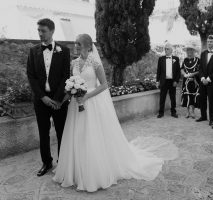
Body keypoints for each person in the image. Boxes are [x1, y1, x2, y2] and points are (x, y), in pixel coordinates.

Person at [53, 34, 178, 192]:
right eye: (75, 43)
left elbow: (104, 85)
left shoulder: (95, 62)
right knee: (77, 135)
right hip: (76, 106)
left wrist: (86, 96)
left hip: (92, 103)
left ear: (86, 45)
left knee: (92, 135)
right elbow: (71, 85)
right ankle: (76, 171)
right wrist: (63, 100)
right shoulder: (74, 63)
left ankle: (94, 172)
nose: (75, 46)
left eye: (78, 44)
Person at [26, 18, 70, 177]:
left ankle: (63, 162)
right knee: (43, 133)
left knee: (61, 132)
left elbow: (66, 75)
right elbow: (31, 76)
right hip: (41, 100)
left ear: (52, 31)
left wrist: (59, 99)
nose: (40, 34)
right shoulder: (33, 51)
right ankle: (47, 162)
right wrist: (42, 97)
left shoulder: (64, 51)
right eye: (38, 30)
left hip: (59, 101)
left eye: (43, 31)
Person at [196, 35, 213, 126]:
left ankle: (212, 119)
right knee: (202, 99)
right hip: (202, 81)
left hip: (212, 81)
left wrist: (209, 78)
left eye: (211, 41)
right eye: (208, 41)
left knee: (211, 100)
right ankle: (203, 116)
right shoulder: (203, 53)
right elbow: (200, 68)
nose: (209, 43)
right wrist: (202, 78)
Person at [156, 42, 181, 118]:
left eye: (167, 49)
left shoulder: (176, 59)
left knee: (173, 97)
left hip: (172, 82)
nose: (166, 50)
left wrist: (176, 81)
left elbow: (178, 71)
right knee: (162, 97)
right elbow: (158, 71)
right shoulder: (161, 59)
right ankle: (161, 112)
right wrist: (157, 81)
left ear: (171, 50)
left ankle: (173, 112)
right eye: (165, 49)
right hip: (164, 81)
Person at [181, 42, 200, 118]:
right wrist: (184, 74)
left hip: (194, 81)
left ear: (194, 51)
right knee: (186, 95)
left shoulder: (198, 60)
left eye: (191, 50)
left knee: (193, 95)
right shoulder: (185, 60)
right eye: (188, 50)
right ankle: (187, 111)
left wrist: (193, 74)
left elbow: (200, 70)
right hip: (186, 81)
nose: (189, 52)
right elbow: (182, 69)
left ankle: (192, 111)